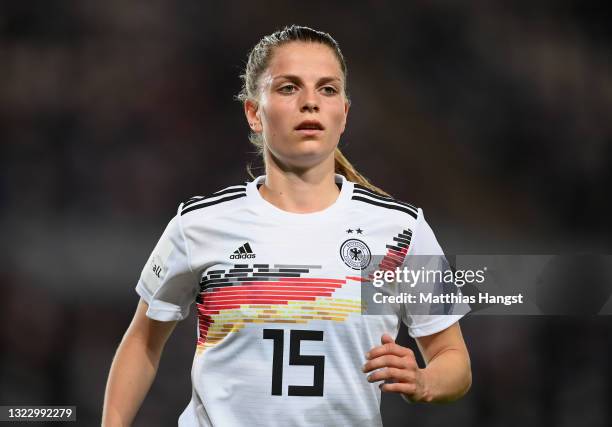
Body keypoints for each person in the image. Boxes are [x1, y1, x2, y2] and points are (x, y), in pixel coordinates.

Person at [102, 25, 471, 427]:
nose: (310, 102)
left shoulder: (399, 230)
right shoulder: (199, 225)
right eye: (289, 88)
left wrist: (424, 380)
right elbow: (143, 342)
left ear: (344, 114)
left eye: (328, 89)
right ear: (253, 113)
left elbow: (453, 361)